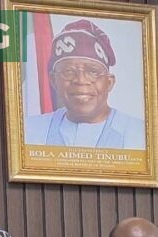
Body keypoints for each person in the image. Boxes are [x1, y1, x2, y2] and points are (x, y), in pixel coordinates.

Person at [24, 19, 145, 149]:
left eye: (93, 72)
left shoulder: (140, 134)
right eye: (68, 71)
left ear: (109, 82)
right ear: (53, 80)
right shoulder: (29, 131)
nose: (81, 80)